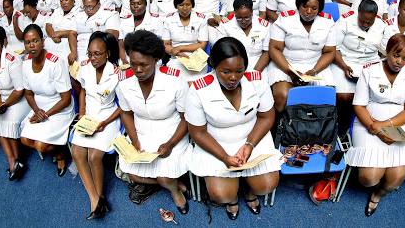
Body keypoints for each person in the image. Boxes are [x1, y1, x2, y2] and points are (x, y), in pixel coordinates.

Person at [186, 37, 280, 220]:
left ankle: (249, 189)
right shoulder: (198, 89)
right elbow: (198, 132)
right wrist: (224, 157)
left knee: (266, 185)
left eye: (239, 71)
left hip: (253, 136)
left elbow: (267, 117)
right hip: (216, 142)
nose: (233, 78)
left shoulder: (258, 79)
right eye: (225, 72)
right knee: (222, 195)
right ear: (214, 67)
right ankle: (233, 197)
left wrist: (249, 145)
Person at [117, 30, 191, 214]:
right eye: (133, 64)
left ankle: (175, 190)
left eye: (143, 65)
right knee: (132, 174)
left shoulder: (174, 81)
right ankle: (176, 183)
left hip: (170, 132)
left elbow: (186, 119)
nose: (138, 70)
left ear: (156, 60)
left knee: (165, 177)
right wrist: (134, 140)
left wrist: (170, 144)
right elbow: (126, 114)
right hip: (141, 132)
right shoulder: (125, 84)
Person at [348, 33, 405, 216]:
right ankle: (375, 182)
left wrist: (385, 125)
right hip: (369, 122)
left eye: (404, 58)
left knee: (396, 178)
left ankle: (377, 194)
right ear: (386, 52)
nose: (399, 62)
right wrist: (378, 130)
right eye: (396, 55)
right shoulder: (369, 70)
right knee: (369, 178)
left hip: (398, 123)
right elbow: (359, 105)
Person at [71, 32, 122, 220]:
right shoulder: (85, 68)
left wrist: (105, 123)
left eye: (97, 54)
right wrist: (82, 114)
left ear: (107, 54)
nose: (92, 58)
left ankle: (99, 196)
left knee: (94, 156)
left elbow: (123, 106)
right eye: (90, 53)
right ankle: (95, 198)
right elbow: (83, 91)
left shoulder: (117, 73)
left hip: (108, 117)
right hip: (90, 116)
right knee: (77, 153)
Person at [20, 24, 76, 177]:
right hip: (39, 107)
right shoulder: (25, 64)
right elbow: (29, 94)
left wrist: (44, 115)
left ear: (43, 42)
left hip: (59, 109)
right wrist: (37, 111)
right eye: (27, 42)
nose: (31, 45)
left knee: (40, 145)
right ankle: (57, 148)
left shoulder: (55, 63)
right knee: (24, 139)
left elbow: (65, 99)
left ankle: (60, 153)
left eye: (35, 41)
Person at [268, 0, 335, 113]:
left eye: (314, 8)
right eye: (305, 6)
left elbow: (329, 51)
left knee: (325, 97)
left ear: (319, 9)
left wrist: (314, 71)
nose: (308, 11)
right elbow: (275, 49)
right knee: (283, 96)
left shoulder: (327, 21)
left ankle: (314, 128)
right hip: (286, 64)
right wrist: (290, 71)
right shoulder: (285, 19)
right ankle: (281, 127)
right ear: (299, 4)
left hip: (316, 65)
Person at [331, 0, 386, 131]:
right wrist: (344, 66)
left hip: (370, 63)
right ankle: (342, 127)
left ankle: (364, 125)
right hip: (344, 61)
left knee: (378, 95)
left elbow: (383, 52)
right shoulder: (345, 21)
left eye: (369, 22)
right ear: (358, 11)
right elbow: (334, 48)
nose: (366, 25)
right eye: (362, 20)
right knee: (344, 96)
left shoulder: (381, 25)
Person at [0, 27, 31, 179]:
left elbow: (19, 90)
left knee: (10, 121)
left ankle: (18, 160)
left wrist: (5, 105)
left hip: (19, 99)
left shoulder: (13, 60)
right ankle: (12, 161)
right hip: (3, 99)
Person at [216, 0, 270, 77]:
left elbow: (266, 52)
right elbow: (221, 51)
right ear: (234, 13)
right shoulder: (225, 25)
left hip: (258, 64)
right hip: (232, 65)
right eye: (239, 18)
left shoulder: (263, 26)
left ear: (252, 12)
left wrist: (255, 72)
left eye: (247, 18)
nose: (243, 21)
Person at [163, 0, 208, 83]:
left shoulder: (201, 19)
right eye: (181, 5)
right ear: (176, 5)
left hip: (196, 58)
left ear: (192, 4)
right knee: (176, 82)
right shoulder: (169, 19)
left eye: (188, 5)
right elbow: (166, 44)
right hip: (176, 58)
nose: (184, 8)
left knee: (197, 84)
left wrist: (180, 48)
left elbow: (202, 45)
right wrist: (177, 52)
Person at [120, 0, 163, 64]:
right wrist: (124, 59)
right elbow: (121, 45)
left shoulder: (155, 21)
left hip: (150, 58)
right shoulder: (124, 21)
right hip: (128, 59)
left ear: (146, 5)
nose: (135, 6)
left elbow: (161, 44)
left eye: (139, 4)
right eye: (132, 4)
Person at [45, 0, 80, 64]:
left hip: (66, 44)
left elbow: (77, 32)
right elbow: (48, 24)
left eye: (66, 0)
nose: (63, 3)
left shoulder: (79, 12)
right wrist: (53, 35)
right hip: (51, 41)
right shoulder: (58, 11)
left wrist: (60, 33)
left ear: (73, 0)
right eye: (61, 1)